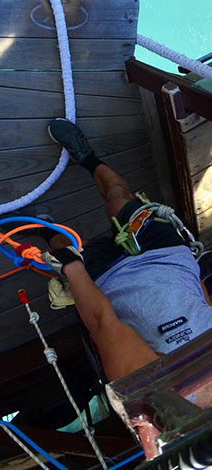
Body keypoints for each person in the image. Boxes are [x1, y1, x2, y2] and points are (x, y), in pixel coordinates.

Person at [44, 118, 212, 388]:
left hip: (112, 278)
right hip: (166, 255)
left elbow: (102, 323)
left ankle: (39, 226)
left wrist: (73, 269)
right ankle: (87, 157)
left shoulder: (159, 386)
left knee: (65, 247)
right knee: (119, 197)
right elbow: (203, 302)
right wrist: (187, 270)